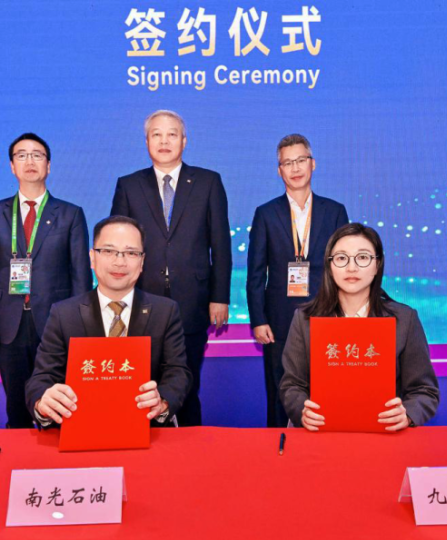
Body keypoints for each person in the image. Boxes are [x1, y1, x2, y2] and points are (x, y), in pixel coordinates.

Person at [111, 110, 232, 426]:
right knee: (142, 386)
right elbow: (116, 245)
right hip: (141, 300)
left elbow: (220, 245)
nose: (164, 141)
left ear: (184, 141)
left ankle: (190, 445)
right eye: (157, 134)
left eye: (172, 134)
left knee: (187, 385)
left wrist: (219, 297)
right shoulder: (129, 185)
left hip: (192, 300)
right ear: (146, 141)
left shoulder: (207, 182)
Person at [0, 133, 92, 428]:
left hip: (56, 323)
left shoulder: (70, 214)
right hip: (9, 325)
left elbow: (80, 275)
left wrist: (79, 326)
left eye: (37, 155)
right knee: (17, 408)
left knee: (59, 407)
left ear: (48, 166)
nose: (30, 161)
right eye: (22, 155)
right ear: (12, 166)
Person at [25, 216, 191, 427]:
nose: (119, 262)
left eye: (131, 253)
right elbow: (41, 378)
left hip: (148, 428)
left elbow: (178, 372)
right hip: (81, 428)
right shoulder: (64, 314)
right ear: (92, 258)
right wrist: (43, 401)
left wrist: (163, 401)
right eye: (109, 251)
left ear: (142, 262)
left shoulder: (165, 311)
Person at [279, 223, 440, 431]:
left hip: (385, 435)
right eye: (341, 258)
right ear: (330, 265)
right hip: (321, 434)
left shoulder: (404, 319)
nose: (351, 268)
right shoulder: (305, 319)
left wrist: (407, 414)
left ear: (377, 264)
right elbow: (291, 385)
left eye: (362, 257)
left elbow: (425, 390)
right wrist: (303, 410)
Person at [247, 134, 349, 427]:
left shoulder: (335, 211)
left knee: (327, 389)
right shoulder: (266, 213)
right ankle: (279, 446)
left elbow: (344, 266)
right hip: (279, 319)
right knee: (280, 389)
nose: (295, 168)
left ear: (312, 164)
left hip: (326, 315)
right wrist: (258, 320)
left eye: (300, 160)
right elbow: (256, 272)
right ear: (279, 170)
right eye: (287, 163)